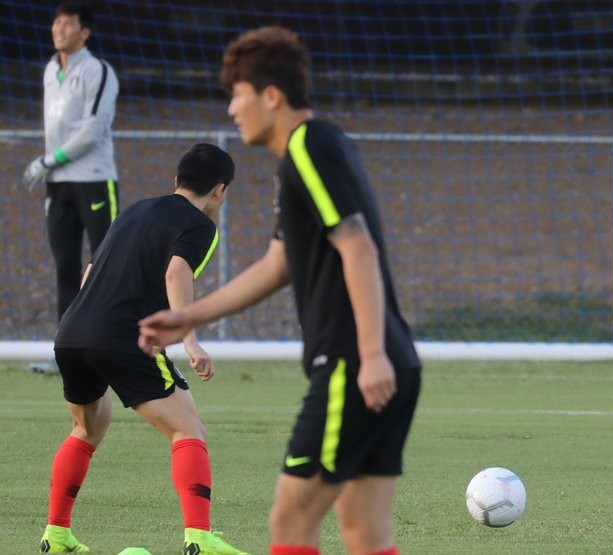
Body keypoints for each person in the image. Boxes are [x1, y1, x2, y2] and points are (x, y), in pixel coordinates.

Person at [138, 26, 422, 555]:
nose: (231, 109)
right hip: (392, 362)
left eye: (237, 94)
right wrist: (188, 317)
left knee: (290, 520)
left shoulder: (307, 148)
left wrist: (370, 355)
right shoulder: (317, 149)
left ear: (270, 96)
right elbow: (279, 264)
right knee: (364, 530)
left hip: (353, 365)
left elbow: (357, 247)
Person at [38, 144, 247, 555]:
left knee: (87, 428)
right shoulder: (201, 225)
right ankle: (199, 538)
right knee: (187, 429)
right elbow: (176, 272)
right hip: (122, 337)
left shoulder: (133, 211)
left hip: (73, 331)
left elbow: (90, 271)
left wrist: (88, 324)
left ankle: (56, 534)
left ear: (176, 180)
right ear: (219, 190)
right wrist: (190, 340)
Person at [23, 1, 120, 374]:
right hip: (58, 186)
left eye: (67, 23)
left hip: (94, 179)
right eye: (56, 22)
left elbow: (92, 131)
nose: (59, 29)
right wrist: (51, 167)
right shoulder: (50, 69)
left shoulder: (98, 71)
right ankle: (65, 353)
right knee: (65, 267)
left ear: (85, 32)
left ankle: (114, 347)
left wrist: (49, 160)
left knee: (106, 264)